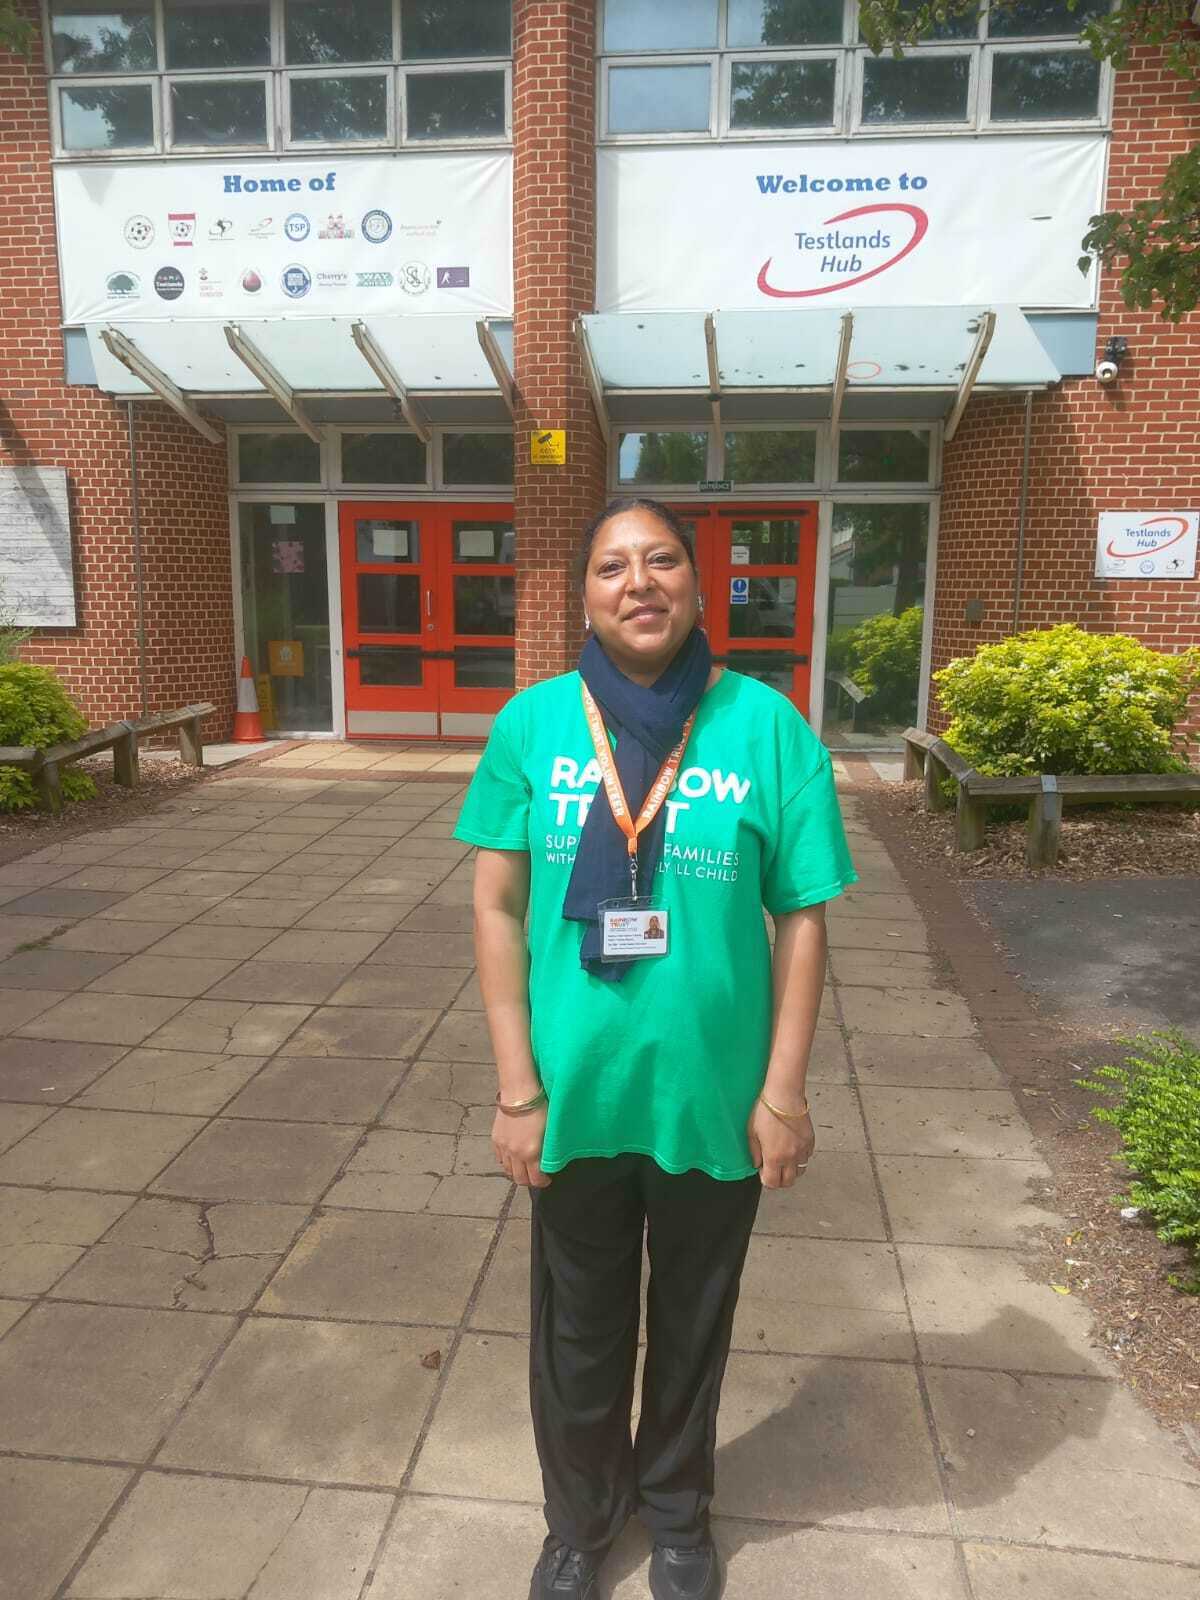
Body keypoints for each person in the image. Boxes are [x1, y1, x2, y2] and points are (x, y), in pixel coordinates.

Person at [453, 496, 856, 1600]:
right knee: (577, 1333)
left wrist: (784, 1091)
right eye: (612, 567)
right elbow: (494, 907)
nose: (639, 583)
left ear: (697, 581)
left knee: (690, 1325)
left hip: (711, 1099)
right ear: (584, 594)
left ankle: (677, 1513)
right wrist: (514, 1086)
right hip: (575, 1096)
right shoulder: (533, 725)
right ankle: (580, 1522)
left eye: (662, 560)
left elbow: (806, 912)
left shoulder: (766, 727)